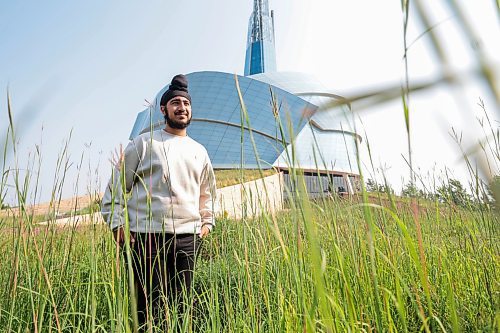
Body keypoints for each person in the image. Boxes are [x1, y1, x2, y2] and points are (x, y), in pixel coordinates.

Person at [101, 74, 217, 328]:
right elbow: (116, 189)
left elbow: (207, 193)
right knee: (145, 307)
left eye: (186, 103)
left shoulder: (200, 151)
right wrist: (117, 225)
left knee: (182, 305)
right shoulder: (143, 144)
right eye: (175, 103)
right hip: (146, 238)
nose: (182, 108)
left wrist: (206, 224)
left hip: (187, 239)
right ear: (164, 109)